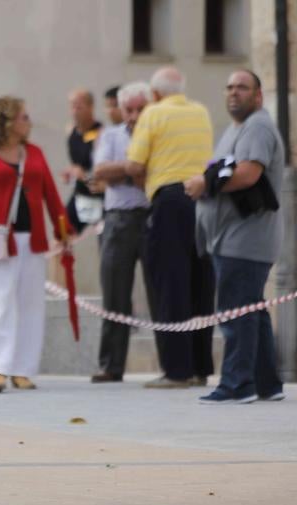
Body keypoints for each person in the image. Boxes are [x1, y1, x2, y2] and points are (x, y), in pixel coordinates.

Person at [0, 96, 70, 393]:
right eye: (24, 117)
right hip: (0, 241)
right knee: (1, 303)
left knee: (31, 305)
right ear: (7, 121)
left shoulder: (35, 153)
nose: (29, 122)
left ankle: (22, 369)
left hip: (33, 241)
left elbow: (52, 197)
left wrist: (64, 231)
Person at [185, 70, 286, 404]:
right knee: (251, 311)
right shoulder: (236, 128)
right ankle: (266, 383)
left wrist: (203, 184)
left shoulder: (257, 126)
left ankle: (237, 384)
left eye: (242, 87)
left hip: (245, 238)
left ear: (257, 95)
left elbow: (247, 174)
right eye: (229, 87)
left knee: (235, 311)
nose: (233, 93)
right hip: (233, 237)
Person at [125, 66, 215, 389]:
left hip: (169, 200)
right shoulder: (201, 111)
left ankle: (177, 371)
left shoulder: (153, 114)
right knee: (201, 283)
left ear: (155, 94)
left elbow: (135, 165)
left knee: (169, 284)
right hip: (203, 201)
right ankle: (201, 367)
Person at [89, 82, 152, 383]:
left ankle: (173, 367)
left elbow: (153, 174)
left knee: (161, 292)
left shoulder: (157, 135)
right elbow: (100, 172)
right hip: (119, 219)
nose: (135, 115)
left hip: (152, 217)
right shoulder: (111, 136)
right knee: (115, 294)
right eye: (130, 109)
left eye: (141, 109)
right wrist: (133, 168)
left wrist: (122, 171)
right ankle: (111, 365)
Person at [62, 89, 103, 235]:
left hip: (100, 197)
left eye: (79, 107)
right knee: (61, 235)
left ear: (91, 107)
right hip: (80, 195)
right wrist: (71, 172)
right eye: (72, 106)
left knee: (106, 244)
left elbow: (103, 179)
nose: (74, 111)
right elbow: (77, 165)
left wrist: (84, 175)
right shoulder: (70, 130)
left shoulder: (100, 133)